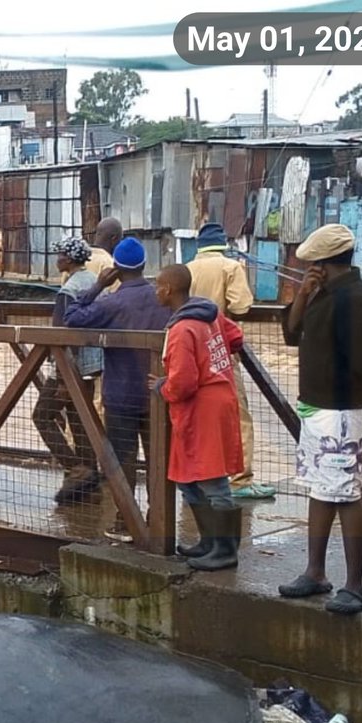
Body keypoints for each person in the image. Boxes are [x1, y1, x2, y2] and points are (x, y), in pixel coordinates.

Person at [277, 224, 362, 615]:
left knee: (346, 494)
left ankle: (355, 586)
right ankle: (315, 572)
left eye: (312, 264)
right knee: (321, 488)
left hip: (341, 409)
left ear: (323, 262)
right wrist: (303, 294)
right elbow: (291, 331)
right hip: (318, 407)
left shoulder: (352, 299)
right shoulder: (324, 292)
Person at [65, 236, 171, 542]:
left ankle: (128, 524)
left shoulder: (112, 302)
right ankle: (157, 520)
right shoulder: (162, 298)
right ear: (144, 266)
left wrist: (98, 285)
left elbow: (72, 318)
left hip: (122, 394)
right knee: (157, 460)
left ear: (116, 269)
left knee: (123, 462)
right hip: (158, 393)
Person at [151, 263, 245, 571]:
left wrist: (162, 387)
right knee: (188, 478)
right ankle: (210, 542)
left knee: (212, 478)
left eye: (158, 286)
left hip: (202, 407)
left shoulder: (181, 330)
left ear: (167, 290)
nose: (156, 291)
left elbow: (183, 383)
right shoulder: (209, 314)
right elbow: (235, 336)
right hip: (219, 399)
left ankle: (226, 549)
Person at [186, 222, 274, 501]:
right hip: (220, 349)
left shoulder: (187, 268)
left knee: (196, 414)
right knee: (237, 413)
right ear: (223, 244)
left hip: (190, 348)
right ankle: (240, 478)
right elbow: (241, 306)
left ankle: (199, 475)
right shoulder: (231, 267)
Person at [33, 236, 102, 505]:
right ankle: (90, 482)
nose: (57, 258)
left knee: (41, 415)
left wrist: (62, 378)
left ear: (70, 259)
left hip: (70, 367)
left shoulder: (69, 290)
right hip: (92, 365)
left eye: (60, 254)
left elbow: (61, 335)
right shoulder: (94, 283)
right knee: (79, 420)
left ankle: (76, 468)